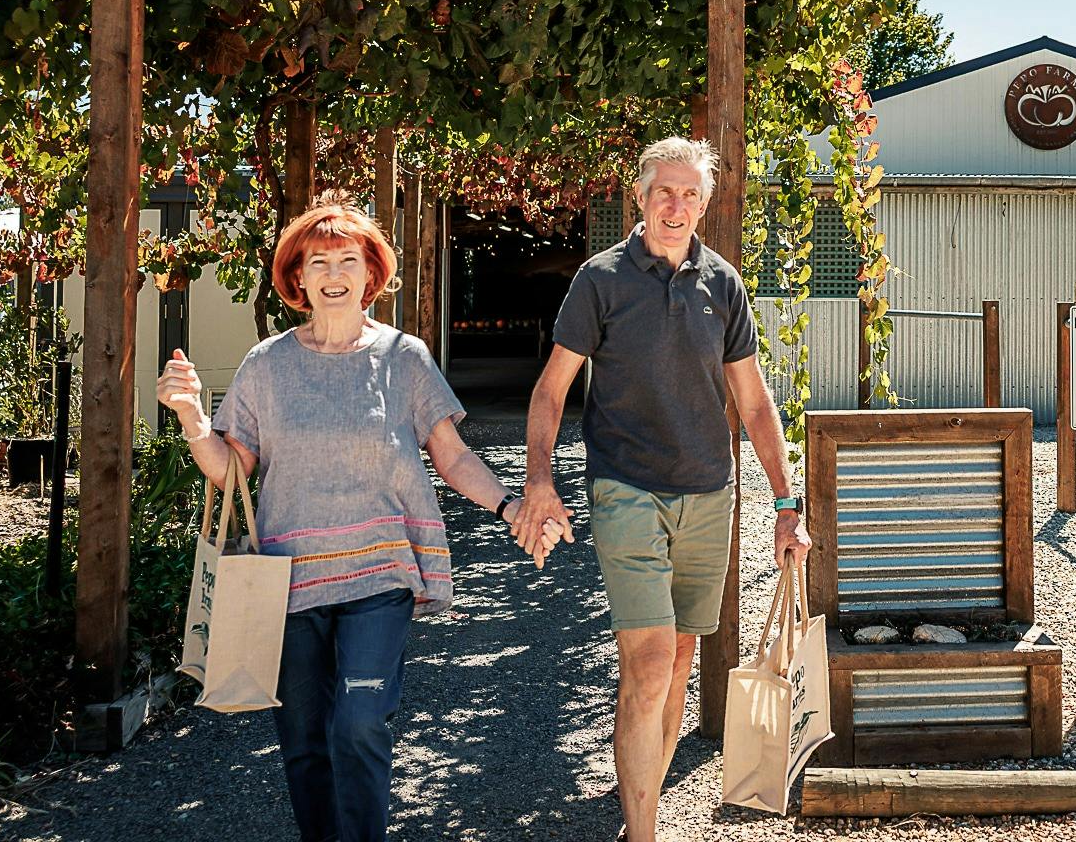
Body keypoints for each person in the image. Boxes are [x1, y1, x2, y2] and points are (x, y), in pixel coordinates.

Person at [156, 194, 569, 842]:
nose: (332, 272)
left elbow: (452, 456)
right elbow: (231, 469)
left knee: (359, 721)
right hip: (289, 583)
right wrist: (190, 419)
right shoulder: (266, 366)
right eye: (317, 261)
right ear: (297, 278)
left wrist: (511, 505)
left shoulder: (402, 360)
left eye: (347, 258)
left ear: (369, 274)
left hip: (379, 575)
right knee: (302, 743)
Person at [515, 137, 812, 842]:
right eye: (663, 192)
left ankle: (637, 818)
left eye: (690, 195)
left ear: (704, 206)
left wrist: (783, 502)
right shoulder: (601, 279)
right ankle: (644, 833)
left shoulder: (721, 283)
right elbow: (551, 390)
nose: (675, 206)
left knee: (678, 660)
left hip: (709, 492)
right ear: (640, 197)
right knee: (646, 662)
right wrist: (537, 480)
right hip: (626, 489)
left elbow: (754, 399)